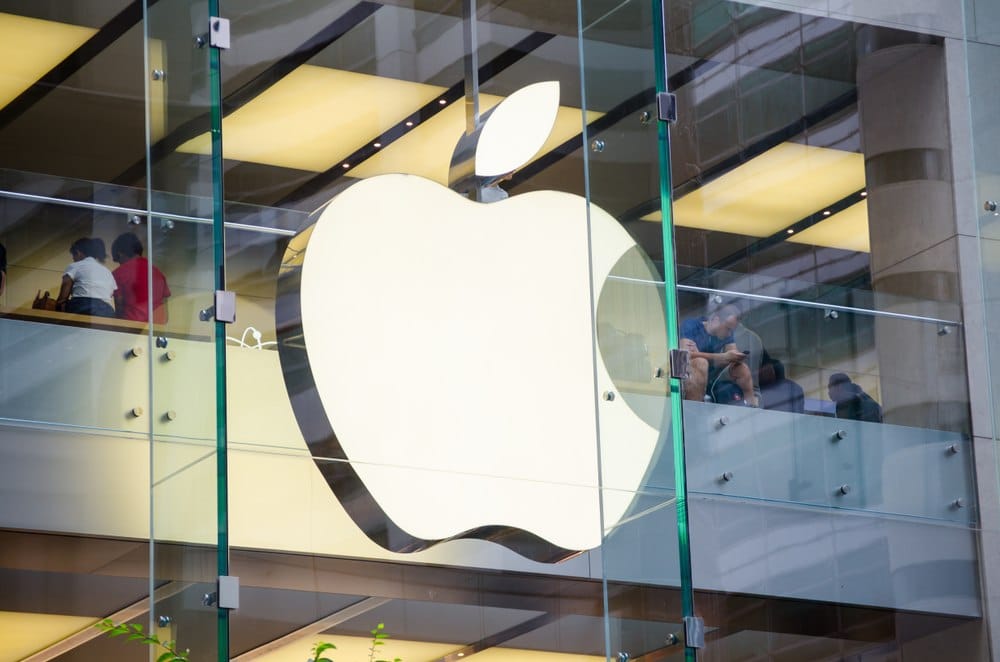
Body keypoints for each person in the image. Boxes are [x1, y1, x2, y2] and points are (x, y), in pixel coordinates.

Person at [680, 303, 757, 406]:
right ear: (716, 320)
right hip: (691, 376)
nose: (730, 334)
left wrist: (737, 357)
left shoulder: (726, 333)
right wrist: (722, 357)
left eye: (732, 330)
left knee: (741, 368)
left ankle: (751, 405)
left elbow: (732, 354)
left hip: (713, 378)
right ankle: (694, 409)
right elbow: (686, 354)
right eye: (728, 329)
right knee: (700, 363)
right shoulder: (691, 325)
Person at [111, 232, 171, 324]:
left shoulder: (118, 273)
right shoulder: (157, 272)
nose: (120, 264)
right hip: (157, 327)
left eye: (118, 260)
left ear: (120, 254)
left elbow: (119, 305)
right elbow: (165, 303)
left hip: (132, 327)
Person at [55, 238, 117, 317]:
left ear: (78, 253)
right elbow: (111, 294)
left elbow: (62, 298)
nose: (73, 259)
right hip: (106, 311)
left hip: (80, 307)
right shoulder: (108, 272)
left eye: (73, 256)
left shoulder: (74, 266)